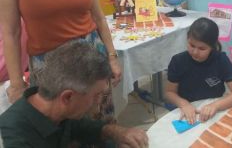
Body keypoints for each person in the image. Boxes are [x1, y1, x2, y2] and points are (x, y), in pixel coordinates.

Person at [0, 41, 148, 148]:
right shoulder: (14, 136)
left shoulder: (57, 108)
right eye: (96, 95)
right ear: (67, 97)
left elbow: (86, 128)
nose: (99, 104)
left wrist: (120, 133)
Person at [165, 17, 232, 124]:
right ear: (187, 39)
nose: (195, 52)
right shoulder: (178, 61)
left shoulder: (220, 60)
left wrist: (215, 105)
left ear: (212, 47)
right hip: (186, 107)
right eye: (191, 45)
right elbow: (169, 92)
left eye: (202, 48)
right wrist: (183, 104)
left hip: (213, 107)